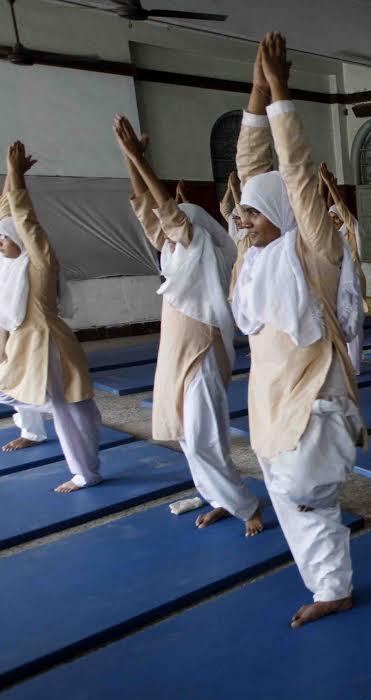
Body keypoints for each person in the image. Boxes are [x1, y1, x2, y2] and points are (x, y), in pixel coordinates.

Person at [234, 33, 366, 626]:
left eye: (253, 214)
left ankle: (333, 585)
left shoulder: (311, 248)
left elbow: (294, 170)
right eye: (242, 215)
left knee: (306, 496)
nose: (243, 220)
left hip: (311, 394)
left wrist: (282, 95)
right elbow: (250, 170)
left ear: (283, 214)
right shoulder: (254, 257)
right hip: (270, 398)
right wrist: (257, 94)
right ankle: (330, 583)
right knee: (294, 499)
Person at [113, 116, 262, 536]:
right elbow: (148, 212)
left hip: (202, 348)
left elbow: (165, 212)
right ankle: (219, 496)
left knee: (202, 437)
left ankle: (244, 503)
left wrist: (140, 160)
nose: (166, 226)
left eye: (176, 220)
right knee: (185, 436)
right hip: (176, 350)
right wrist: (130, 159)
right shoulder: (175, 252)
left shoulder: (199, 246)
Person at [0, 141, 102, 492]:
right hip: (24, 348)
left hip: (49, 347)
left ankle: (86, 473)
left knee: (72, 410)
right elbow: (8, 217)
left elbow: (26, 224)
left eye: (3, 239)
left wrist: (16, 179)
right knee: (62, 407)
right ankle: (41, 435)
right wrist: (11, 180)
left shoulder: (39, 265)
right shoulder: (9, 267)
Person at [320, 164, 368, 374]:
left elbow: (343, 212)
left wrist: (330, 184)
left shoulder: (352, 231)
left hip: (354, 279)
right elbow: (320, 215)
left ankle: (355, 367)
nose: (333, 221)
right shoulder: (332, 237)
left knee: (354, 322)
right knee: (339, 321)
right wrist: (323, 185)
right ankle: (346, 359)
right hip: (336, 282)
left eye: (336, 218)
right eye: (331, 219)